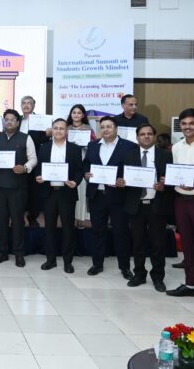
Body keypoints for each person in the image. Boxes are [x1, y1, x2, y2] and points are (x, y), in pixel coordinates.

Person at [118, 123, 172, 292]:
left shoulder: (165, 155)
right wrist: (121, 182)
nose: (146, 136)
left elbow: (171, 179)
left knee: (158, 243)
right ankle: (139, 274)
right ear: (137, 137)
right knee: (137, 242)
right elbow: (122, 177)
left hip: (157, 204)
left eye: (149, 134)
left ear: (154, 136)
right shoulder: (128, 155)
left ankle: (158, 276)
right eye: (142, 134)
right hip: (136, 205)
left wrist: (164, 186)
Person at [83, 116, 137, 279]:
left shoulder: (128, 146)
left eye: (109, 126)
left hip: (118, 196)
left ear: (116, 129)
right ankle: (97, 264)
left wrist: (123, 180)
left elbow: (133, 169)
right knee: (97, 231)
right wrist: (86, 174)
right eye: (103, 127)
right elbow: (86, 164)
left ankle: (125, 267)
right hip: (97, 195)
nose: (105, 129)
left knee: (121, 233)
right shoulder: (93, 145)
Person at [0, 109, 37, 267]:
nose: (9, 122)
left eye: (12, 119)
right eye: (6, 119)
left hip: (17, 187)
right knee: (0, 220)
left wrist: (25, 167)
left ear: (18, 122)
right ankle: (2, 252)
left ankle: (19, 253)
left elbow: (33, 158)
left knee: (17, 220)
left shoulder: (26, 138)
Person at [167, 108, 194, 307]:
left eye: (191, 123)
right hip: (181, 200)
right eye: (184, 124)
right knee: (188, 246)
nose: (187, 127)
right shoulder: (176, 147)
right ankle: (191, 285)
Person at [35, 119, 83, 273]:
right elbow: (39, 167)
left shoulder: (75, 149)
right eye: (55, 128)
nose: (58, 131)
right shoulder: (44, 147)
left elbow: (79, 170)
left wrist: (75, 182)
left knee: (68, 228)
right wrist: (38, 176)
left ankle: (68, 262)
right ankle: (51, 260)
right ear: (52, 130)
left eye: (61, 128)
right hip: (49, 192)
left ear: (66, 131)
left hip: (66, 192)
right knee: (49, 227)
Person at [19, 95, 50, 228]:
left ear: (34, 105)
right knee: (18, 192)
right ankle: (18, 217)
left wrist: (47, 134)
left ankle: (33, 217)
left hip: (35, 159)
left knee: (34, 191)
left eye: (29, 103)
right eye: (23, 103)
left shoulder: (41, 120)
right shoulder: (16, 120)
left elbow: (43, 139)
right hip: (18, 161)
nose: (26, 105)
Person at [66, 104, 96, 227]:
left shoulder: (88, 129)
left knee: (82, 187)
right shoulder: (66, 128)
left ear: (83, 115)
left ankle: (81, 218)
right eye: (74, 112)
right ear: (71, 114)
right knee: (70, 185)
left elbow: (94, 146)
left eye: (79, 113)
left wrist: (86, 145)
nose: (76, 115)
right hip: (69, 160)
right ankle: (70, 217)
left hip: (84, 158)